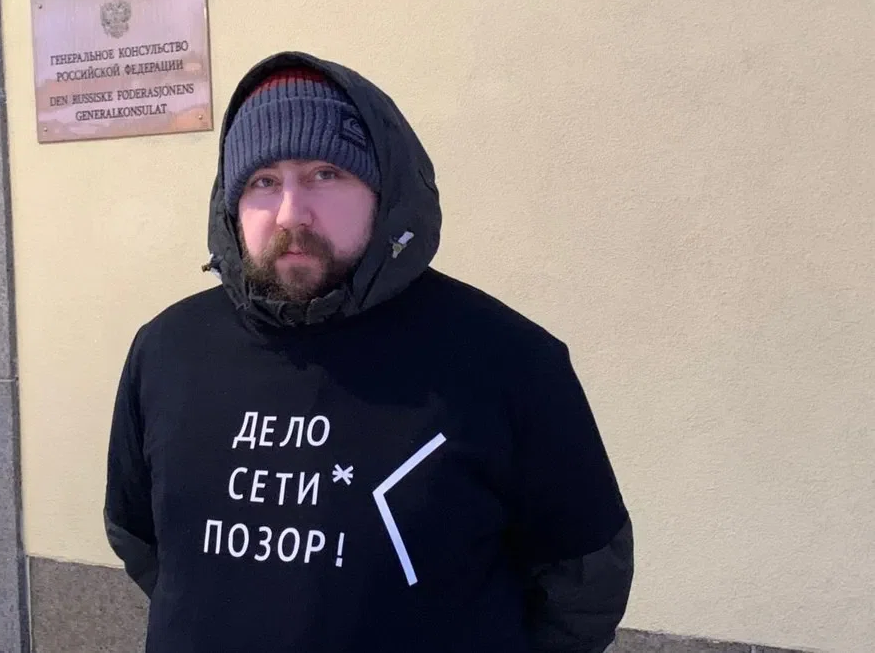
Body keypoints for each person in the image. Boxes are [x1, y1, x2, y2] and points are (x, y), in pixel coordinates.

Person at [105, 52, 634, 652]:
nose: (291, 213)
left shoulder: (508, 360)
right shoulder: (168, 350)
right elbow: (140, 538)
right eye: (263, 181)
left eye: (325, 173)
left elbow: (584, 583)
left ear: (383, 189)